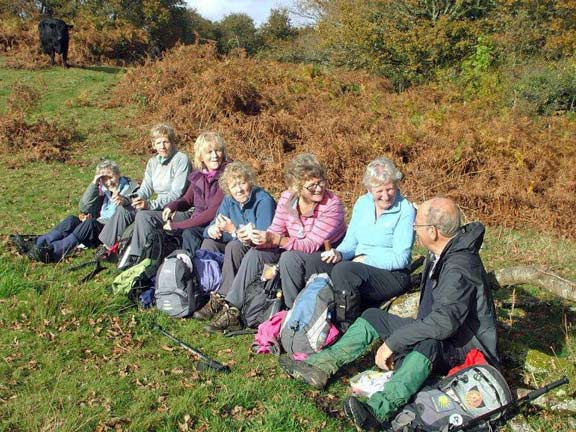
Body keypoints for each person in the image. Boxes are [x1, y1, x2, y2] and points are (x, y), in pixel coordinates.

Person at [279, 197, 499, 432]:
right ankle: (319, 367)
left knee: (428, 344)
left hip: (467, 350)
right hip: (442, 332)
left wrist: (395, 342)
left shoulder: (459, 266)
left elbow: (445, 323)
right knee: (374, 316)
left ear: (433, 232)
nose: (414, 230)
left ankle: (377, 410)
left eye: (418, 226)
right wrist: (404, 337)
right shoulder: (442, 252)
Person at [203, 153, 347, 333]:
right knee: (256, 254)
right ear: (297, 186)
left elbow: (309, 245)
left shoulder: (332, 205)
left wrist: (275, 239)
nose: (319, 188)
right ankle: (233, 308)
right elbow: (276, 230)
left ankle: (292, 316)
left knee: (289, 259)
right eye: (312, 186)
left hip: (324, 257)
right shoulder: (288, 199)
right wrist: (260, 239)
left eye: (321, 182)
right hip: (292, 248)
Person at [307, 157, 416, 327]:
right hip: (359, 266)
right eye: (379, 191)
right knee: (315, 262)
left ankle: (346, 326)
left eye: (390, 189)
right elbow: (351, 242)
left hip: (392, 275)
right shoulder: (362, 203)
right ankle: (307, 321)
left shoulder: (406, 210)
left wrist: (366, 259)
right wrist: (339, 253)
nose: (386, 196)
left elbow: (401, 258)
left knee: (345, 270)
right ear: (369, 189)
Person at [122, 131, 228, 264]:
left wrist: (177, 226)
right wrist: (172, 206)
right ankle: (139, 259)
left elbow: (211, 214)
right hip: (194, 218)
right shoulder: (200, 174)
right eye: (209, 152)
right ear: (201, 156)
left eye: (218, 151)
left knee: (188, 232)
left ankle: (184, 269)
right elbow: (187, 199)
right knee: (145, 217)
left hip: (210, 225)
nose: (215, 156)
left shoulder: (227, 176)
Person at [193, 161, 277, 320]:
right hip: (238, 242)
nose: (239, 189)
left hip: (260, 250)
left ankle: (222, 297)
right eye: (234, 186)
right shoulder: (229, 200)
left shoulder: (263, 201)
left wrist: (234, 231)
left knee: (234, 246)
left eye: (242, 183)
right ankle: (206, 291)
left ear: (250, 182)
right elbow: (210, 228)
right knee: (208, 243)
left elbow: (262, 240)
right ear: (228, 189)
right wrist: (213, 230)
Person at [11, 160, 138, 263]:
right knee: (71, 220)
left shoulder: (130, 188)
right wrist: (94, 183)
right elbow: (84, 207)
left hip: (111, 230)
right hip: (97, 223)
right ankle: (38, 245)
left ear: (118, 174)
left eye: (111, 177)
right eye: (104, 179)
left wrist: (123, 200)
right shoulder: (102, 189)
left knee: (90, 224)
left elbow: (132, 211)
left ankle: (54, 252)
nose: (108, 182)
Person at [98, 123, 191, 251]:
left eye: (166, 142)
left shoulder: (181, 160)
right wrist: (128, 200)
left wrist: (149, 205)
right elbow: (146, 188)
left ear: (172, 142)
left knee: (143, 216)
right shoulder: (153, 162)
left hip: (175, 208)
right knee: (124, 209)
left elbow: (177, 193)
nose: (162, 146)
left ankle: (137, 255)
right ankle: (106, 247)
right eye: (158, 143)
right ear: (153, 145)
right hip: (158, 205)